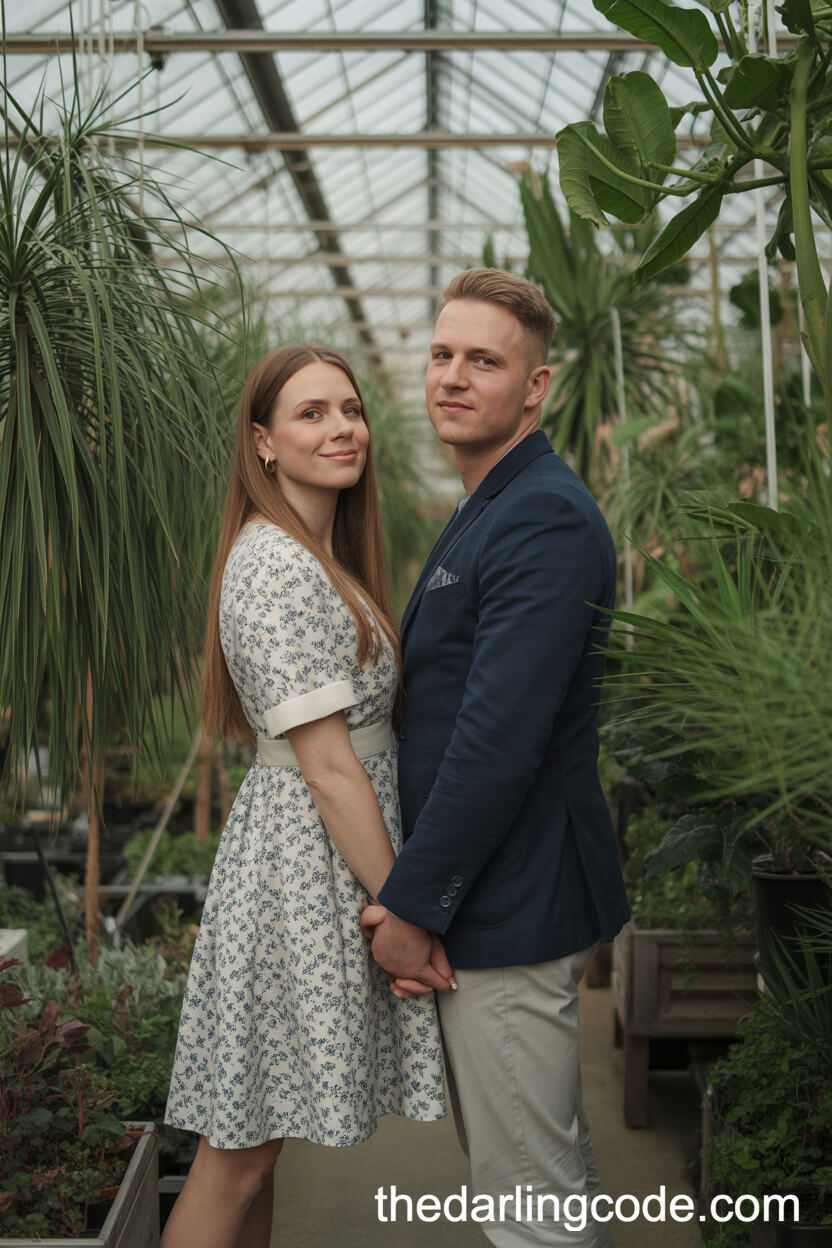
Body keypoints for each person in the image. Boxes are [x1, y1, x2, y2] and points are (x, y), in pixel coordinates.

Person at [362, 270, 631, 1247]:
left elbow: (494, 743)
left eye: (484, 360)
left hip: (511, 901)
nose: (454, 376)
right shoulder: (489, 504)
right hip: (489, 893)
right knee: (530, 1178)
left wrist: (412, 907)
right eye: (442, 355)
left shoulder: (543, 518)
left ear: (537, 386)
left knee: (529, 1204)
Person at [162, 343, 449, 1248]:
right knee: (237, 1154)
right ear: (264, 444)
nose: (342, 429)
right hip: (299, 871)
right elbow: (329, 767)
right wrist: (400, 904)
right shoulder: (275, 566)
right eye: (313, 413)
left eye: (351, 410)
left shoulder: (318, 555)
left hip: (312, 862)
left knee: (256, 1149)